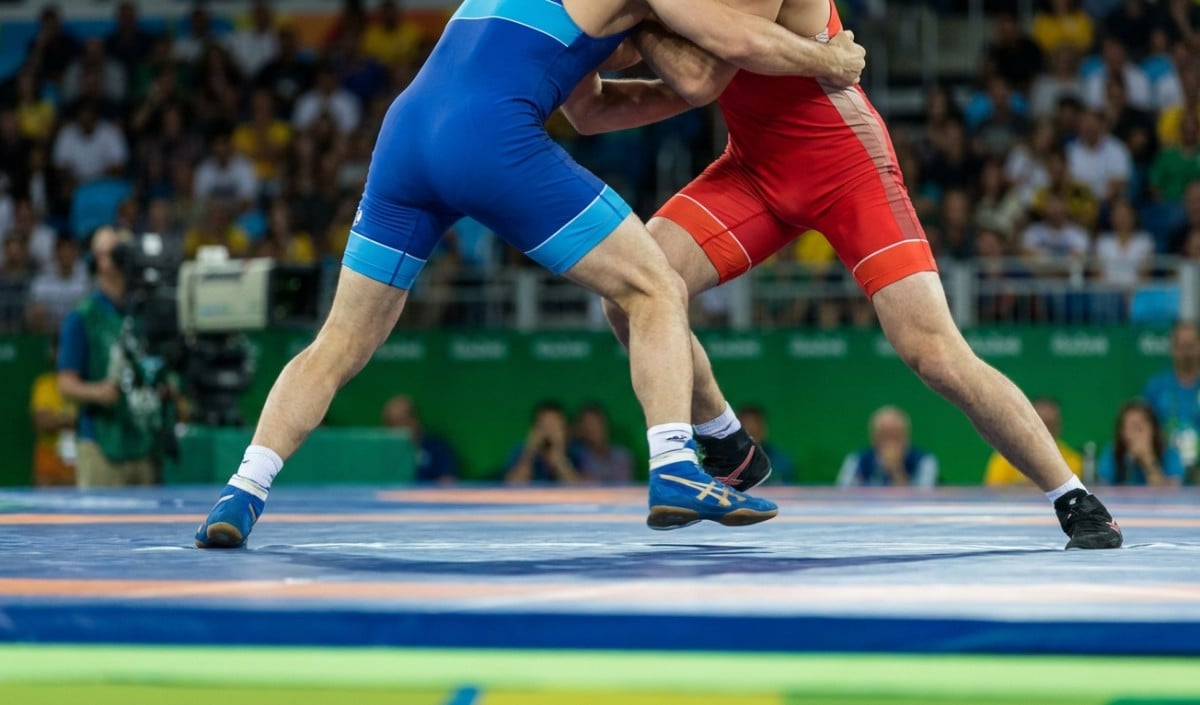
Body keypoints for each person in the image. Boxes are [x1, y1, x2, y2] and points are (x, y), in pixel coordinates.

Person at [193, 0, 868, 548]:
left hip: (407, 132)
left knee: (338, 340)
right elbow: (722, 59)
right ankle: (674, 465)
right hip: (487, 137)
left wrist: (657, 58)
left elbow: (591, 108)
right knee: (653, 285)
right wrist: (829, 58)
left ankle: (243, 491)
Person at [564, 0, 1122, 548]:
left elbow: (703, 65)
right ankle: (726, 442)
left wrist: (639, 21)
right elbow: (610, 71)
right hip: (753, 167)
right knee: (631, 292)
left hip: (844, 165)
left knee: (934, 353)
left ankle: (1073, 496)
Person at [57, 227, 162, 488]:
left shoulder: (143, 313)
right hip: (100, 444)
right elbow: (65, 383)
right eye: (110, 252)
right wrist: (99, 392)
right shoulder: (84, 316)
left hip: (142, 441)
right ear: (98, 260)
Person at [1142, 321, 1200, 472]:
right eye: (1181, 346)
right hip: (1166, 468)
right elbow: (1145, 428)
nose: (1186, 352)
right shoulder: (1156, 387)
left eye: (1190, 345)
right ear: (1173, 348)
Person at [985, 398, 1083, 487]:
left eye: (1050, 424)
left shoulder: (1072, 460)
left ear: (1059, 425)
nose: (1046, 430)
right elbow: (994, 492)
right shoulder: (1006, 456)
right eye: (1042, 423)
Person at [837, 406, 938, 488]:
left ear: (906, 435)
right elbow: (843, 494)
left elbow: (923, 500)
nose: (889, 442)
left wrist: (896, 470)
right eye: (884, 435)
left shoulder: (924, 461)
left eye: (895, 435)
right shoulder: (857, 460)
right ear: (873, 437)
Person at [1098, 401, 1185, 487]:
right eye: (1124, 428)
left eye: (1136, 427)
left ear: (1152, 430)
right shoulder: (1112, 452)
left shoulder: (1170, 455)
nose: (1128, 434)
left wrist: (1148, 460)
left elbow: (1171, 495)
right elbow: (1103, 489)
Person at [30, 336, 77, 487]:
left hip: (78, 462)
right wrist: (69, 419)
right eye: (59, 350)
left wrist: (58, 419)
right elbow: (42, 422)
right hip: (49, 461)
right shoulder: (44, 384)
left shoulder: (86, 384)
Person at [382, 394, 457, 484]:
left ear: (414, 420)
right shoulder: (383, 452)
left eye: (400, 423)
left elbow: (448, 481)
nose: (395, 430)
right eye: (391, 425)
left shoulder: (436, 447)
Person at [504, 402, 583, 485]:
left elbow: (580, 490)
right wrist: (529, 452)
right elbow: (513, 485)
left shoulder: (575, 453)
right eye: (544, 425)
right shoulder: (521, 452)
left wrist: (560, 460)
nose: (549, 431)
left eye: (554, 426)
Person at [571, 403, 635, 484]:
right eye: (587, 425)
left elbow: (622, 487)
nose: (592, 429)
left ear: (605, 425)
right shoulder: (579, 455)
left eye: (595, 424)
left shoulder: (622, 455)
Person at [736, 404, 796, 484]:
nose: (751, 439)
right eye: (746, 433)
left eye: (754, 433)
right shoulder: (723, 461)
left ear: (764, 429)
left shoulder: (781, 462)